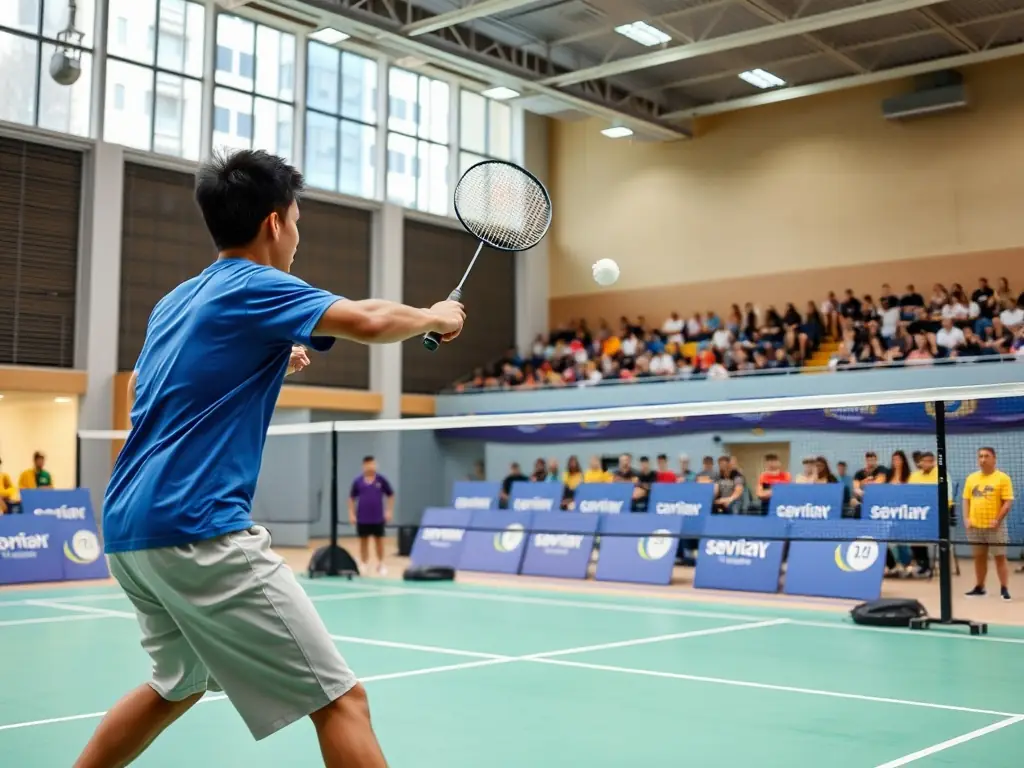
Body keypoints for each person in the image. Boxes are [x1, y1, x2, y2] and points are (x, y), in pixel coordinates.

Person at [76, 150, 466, 768]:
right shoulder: (257, 283)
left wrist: (263, 362)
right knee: (343, 702)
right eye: (298, 220)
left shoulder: (175, 302)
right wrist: (434, 315)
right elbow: (367, 319)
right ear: (275, 224)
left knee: (176, 685)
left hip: (128, 529)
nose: (298, 235)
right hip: (197, 528)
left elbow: (146, 394)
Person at [963, 447, 1013, 601]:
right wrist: (966, 518)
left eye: (986, 456)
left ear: (994, 459)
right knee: (979, 557)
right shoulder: (971, 478)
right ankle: (980, 587)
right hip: (975, 526)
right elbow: (966, 499)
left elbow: (1008, 502)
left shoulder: (1002, 478)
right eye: (980, 456)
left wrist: (997, 519)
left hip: (995, 527)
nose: (983, 459)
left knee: (1000, 557)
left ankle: (1004, 588)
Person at [348, 456, 394, 576]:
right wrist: (352, 514)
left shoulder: (381, 480)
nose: (371, 466)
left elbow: (390, 494)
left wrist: (389, 511)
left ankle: (381, 564)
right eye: (368, 464)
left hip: (378, 517)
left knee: (379, 541)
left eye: (373, 464)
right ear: (364, 466)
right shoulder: (358, 481)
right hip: (362, 517)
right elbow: (351, 498)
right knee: (363, 541)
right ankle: (364, 564)